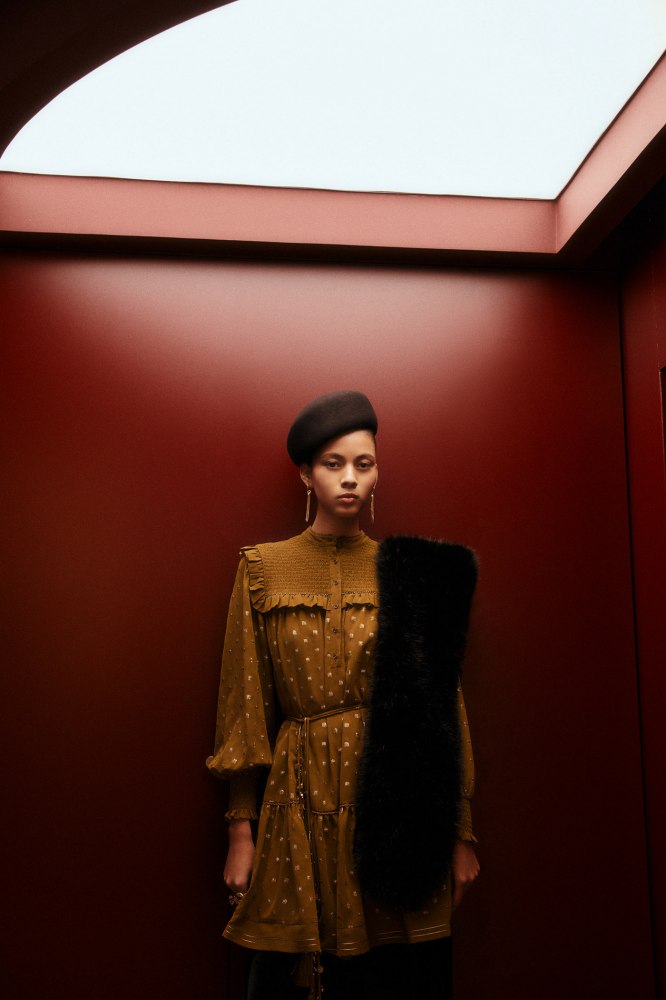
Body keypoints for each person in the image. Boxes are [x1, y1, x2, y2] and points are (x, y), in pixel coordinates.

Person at [206, 390, 480, 1000]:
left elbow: (442, 711)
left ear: (377, 473)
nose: (350, 477)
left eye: (364, 463)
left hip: (396, 798)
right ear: (306, 474)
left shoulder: (406, 574)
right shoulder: (263, 569)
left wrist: (461, 832)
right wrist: (240, 832)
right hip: (298, 797)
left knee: (397, 976)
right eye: (333, 464)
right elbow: (244, 707)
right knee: (291, 978)